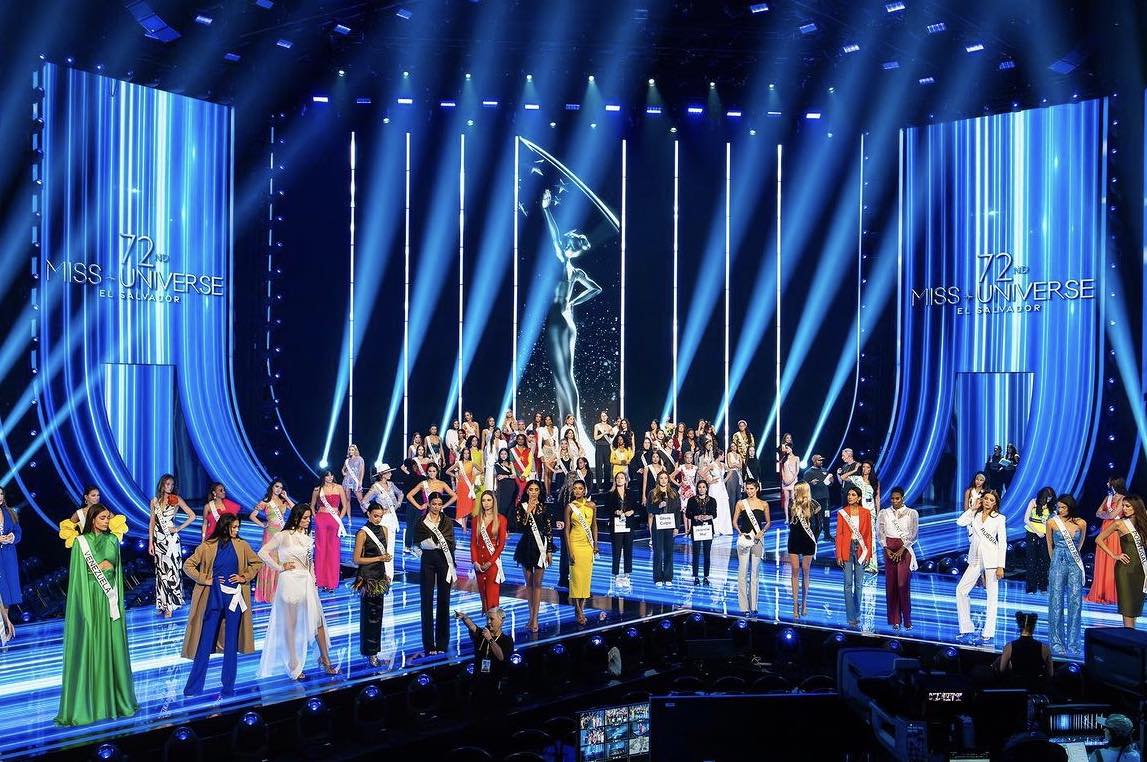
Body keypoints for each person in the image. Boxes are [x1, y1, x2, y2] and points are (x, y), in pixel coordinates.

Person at [56, 504, 138, 725]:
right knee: (89, 648)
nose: (107, 521)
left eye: (108, 518)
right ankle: (89, 706)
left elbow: (111, 565)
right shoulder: (80, 544)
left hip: (107, 600)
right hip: (89, 598)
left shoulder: (112, 540)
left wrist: (105, 567)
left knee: (109, 646)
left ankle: (113, 702)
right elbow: (78, 579)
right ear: (93, 520)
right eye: (103, 518)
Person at [181, 514, 262, 697]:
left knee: (231, 643)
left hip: (234, 599)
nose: (237, 530)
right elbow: (188, 565)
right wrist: (205, 579)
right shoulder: (208, 547)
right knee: (204, 642)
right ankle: (193, 688)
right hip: (213, 598)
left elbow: (257, 562)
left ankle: (228, 687)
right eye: (233, 527)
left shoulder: (242, 545)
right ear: (225, 527)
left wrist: (244, 577)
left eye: (238, 527)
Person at [257, 504, 338, 678]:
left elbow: (310, 563)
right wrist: (279, 567)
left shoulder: (307, 536)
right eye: (305, 518)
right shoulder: (283, 536)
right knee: (291, 626)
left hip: (307, 582)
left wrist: (314, 581)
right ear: (296, 518)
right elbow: (262, 552)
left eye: (309, 518)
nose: (308, 521)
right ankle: (294, 664)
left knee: (318, 623)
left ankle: (325, 659)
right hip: (289, 582)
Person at [956, 490, 1008, 643]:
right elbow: (960, 522)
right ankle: (966, 628)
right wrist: (972, 508)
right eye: (985, 498)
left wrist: (1001, 566)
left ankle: (988, 632)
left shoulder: (999, 519)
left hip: (992, 561)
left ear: (995, 503)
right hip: (975, 559)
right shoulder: (975, 515)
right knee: (961, 590)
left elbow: (1003, 543)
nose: (987, 501)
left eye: (991, 499)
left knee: (992, 596)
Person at [1094, 494, 1147, 628]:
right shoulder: (1119, 523)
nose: (1124, 508)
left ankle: (1132, 640)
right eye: (1123, 505)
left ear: (1136, 507)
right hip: (1125, 569)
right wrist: (1114, 555)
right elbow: (1099, 539)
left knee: (1135, 609)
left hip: (1141, 570)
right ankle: (1128, 639)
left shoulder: (1143, 523)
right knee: (1127, 608)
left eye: (1127, 506)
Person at [148, 474, 195, 618]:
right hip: (159, 540)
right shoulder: (154, 501)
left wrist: (178, 528)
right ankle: (162, 603)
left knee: (171, 571)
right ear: (162, 484)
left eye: (172, 485)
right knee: (160, 573)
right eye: (167, 484)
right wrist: (151, 542)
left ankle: (171, 605)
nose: (170, 487)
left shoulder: (176, 499)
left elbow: (192, 515)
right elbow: (152, 522)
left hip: (171, 541)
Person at [1045, 494, 1087, 656]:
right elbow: (1049, 544)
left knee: (1075, 602)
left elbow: (1081, 543)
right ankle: (1056, 642)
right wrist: (1054, 561)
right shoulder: (1051, 522)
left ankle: (1073, 643)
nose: (1059, 509)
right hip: (1057, 561)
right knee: (1056, 601)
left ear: (1070, 507)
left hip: (1074, 562)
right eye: (1058, 507)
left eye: (1063, 507)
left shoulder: (1081, 523)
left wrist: (1073, 556)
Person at [415, 492, 456, 655]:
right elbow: (416, 541)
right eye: (434, 504)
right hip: (427, 561)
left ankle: (442, 643)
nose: (437, 507)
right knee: (426, 601)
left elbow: (451, 542)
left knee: (444, 601)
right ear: (429, 504)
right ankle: (428, 644)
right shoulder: (421, 522)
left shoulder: (447, 521)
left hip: (444, 561)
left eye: (440, 504)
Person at [352, 504, 393, 668]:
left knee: (378, 616)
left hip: (379, 577)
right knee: (369, 617)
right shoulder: (362, 533)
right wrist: (379, 559)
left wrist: (386, 571)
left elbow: (384, 556)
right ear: (368, 514)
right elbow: (356, 559)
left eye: (380, 516)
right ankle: (369, 653)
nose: (378, 518)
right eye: (375, 515)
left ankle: (375, 652)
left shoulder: (384, 530)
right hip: (367, 578)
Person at [514, 480, 554, 632]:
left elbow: (549, 530)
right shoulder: (521, 507)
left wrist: (549, 550)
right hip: (526, 546)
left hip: (541, 547)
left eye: (536, 489)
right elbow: (519, 527)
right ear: (527, 491)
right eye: (531, 489)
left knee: (537, 583)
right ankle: (530, 616)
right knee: (529, 583)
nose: (534, 492)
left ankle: (535, 618)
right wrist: (528, 511)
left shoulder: (545, 507)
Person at [877, 486, 919, 631]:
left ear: (903, 498)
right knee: (891, 585)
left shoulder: (912, 513)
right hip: (888, 548)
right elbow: (880, 532)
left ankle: (907, 620)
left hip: (904, 549)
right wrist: (886, 548)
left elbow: (914, 534)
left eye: (897, 498)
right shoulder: (884, 513)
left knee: (902, 584)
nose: (894, 501)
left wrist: (902, 549)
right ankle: (895, 620)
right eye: (892, 498)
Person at [249, 479, 294, 604]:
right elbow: (252, 515)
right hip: (270, 534)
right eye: (276, 486)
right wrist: (262, 524)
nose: (278, 489)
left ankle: (280, 592)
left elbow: (295, 510)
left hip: (282, 533)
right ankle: (268, 593)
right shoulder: (266, 501)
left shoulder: (283, 501)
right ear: (272, 487)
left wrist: (286, 497)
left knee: (281, 559)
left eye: (281, 487)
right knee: (270, 560)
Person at [456, 608, 514, 698]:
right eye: (487, 619)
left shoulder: (507, 640)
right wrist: (464, 617)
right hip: (478, 682)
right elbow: (472, 626)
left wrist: (490, 639)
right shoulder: (482, 635)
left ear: (501, 621)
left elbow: (501, 657)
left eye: (491, 619)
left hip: (495, 683)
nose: (488, 622)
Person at [836, 485, 871, 630]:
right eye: (849, 495)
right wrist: (838, 554)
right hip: (847, 548)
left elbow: (869, 534)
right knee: (847, 584)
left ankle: (857, 613)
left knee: (859, 585)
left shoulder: (866, 512)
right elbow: (839, 534)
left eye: (853, 495)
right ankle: (850, 617)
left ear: (859, 497)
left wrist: (868, 553)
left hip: (861, 549)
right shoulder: (842, 513)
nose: (850, 497)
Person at [1087, 477, 1127, 605]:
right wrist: (1106, 515)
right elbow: (1097, 513)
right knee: (1102, 559)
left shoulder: (1123, 499)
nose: (1107, 483)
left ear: (1114, 484)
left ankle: (1111, 594)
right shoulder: (1107, 498)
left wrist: (1106, 515)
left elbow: (1111, 515)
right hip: (1104, 530)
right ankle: (1100, 593)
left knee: (1112, 560)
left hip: (1115, 532)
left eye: (1109, 481)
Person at [733, 479, 769, 617]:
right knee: (742, 572)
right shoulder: (741, 503)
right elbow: (734, 521)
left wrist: (762, 531)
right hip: (745, 538)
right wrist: (739, 531)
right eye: (747, 489)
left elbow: (768, 522)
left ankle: (753, 605)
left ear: (757, 489)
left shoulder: (764, 504)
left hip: (758, 538)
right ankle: (743, 607)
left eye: (752, 489)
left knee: (755, 573)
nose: (749, 491)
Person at [566, 479, 599, 625]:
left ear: (584, 490)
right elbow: (566, 530)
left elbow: (594, 526)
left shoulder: (592, 505)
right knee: (576, 579)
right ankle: (579, 610)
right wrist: (569, 550)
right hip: (575, 543)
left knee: (586, 579)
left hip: (588, 545)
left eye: (580, 488)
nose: (577, 491)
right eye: (575, 489)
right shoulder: (570, 507)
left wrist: (595, 545)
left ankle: (581, 606)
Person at [310, 470, 350, 592]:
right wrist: (315, 517)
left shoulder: (339, 488)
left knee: (333, 550)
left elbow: (345, 504)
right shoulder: (318, 489)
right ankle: (319, 581)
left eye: (331, 474)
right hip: (321, 519)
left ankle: (331, 582)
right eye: (327, 475)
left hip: (334, 520)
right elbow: (312, 506)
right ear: (323, 477)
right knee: (320, 549)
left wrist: (340, 518)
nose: (330, 477)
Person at [361, 465, 402, 582]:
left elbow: (401, 494)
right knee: (382, 546)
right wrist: (375, 514)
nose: (390, 474)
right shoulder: (375, 487)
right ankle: (380, 574)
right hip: (382, 520)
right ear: (382, 474)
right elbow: (364, 502)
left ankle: (390, 576)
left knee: (391, 548)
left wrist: (397, 505)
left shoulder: (391, 485)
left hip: (392, 518)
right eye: (388, 472)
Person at [470, 491, 507, 613]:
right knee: (483, 598)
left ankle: (494, 628)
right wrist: (475, 562)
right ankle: (487, 628)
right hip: (479, 564)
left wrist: (490, 563)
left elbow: (501, 545)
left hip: (492, 564)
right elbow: (473, 543)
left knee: (492, 598)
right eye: (484, 500)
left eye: (489, 500)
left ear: (493, 502)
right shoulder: (476, 520)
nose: (486, 503)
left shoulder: (501, 519)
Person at [787, 482, 820, 619]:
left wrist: (815, 540)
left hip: (808, 541)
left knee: (806, 571)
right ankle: (795, 604)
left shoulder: (814, 505)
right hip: (794, 540)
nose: (794, 492)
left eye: (796, 490)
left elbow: (819, 525)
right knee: (795, 570)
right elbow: (790, 522)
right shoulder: (791, 503)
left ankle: (804, 603)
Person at [995, 612, 1052, 691]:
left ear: (1019, 625)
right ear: (1034, 626)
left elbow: (1001, 670)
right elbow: (1050, 674)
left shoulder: (1009, 647)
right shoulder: (1045, 648)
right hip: (1036, 689)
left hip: (1015, 690)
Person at [648, 471, 681, 588]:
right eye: (661, 478)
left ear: (668, 480)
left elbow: (678, 511)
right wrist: (658, 507)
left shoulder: (674, 493)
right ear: (658, 480)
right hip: (658, 525)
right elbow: (649, 509)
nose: (663, 480)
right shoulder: (652, 493)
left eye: (665, 478)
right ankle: (657, 577)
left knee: (668, 552)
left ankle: (668, 577)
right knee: (658, 552)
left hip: (670, 525)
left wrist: (677, 526)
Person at [605, 471, 638, 587]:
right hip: (617, 524)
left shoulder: (631, 493)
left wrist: (632, 511)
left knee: (628, 549)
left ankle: (627, 573)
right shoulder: (611, 494)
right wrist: (615, 511)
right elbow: (606, 509)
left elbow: (636, 507)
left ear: (626, 480)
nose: (620, 480)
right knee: (617, 550)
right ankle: (615, 573)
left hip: (628, 523)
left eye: (622, 478)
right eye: (618, 478)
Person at [1023, 487, 1055, 594]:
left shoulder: (1051, 507)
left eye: (1050, 498)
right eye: (1047, 498)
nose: (1048, 500)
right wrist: (1037, 532)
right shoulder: (1033, 502)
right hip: (1032, 532)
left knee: (1045, 561)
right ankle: (1031, 587)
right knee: (1032, 560)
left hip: (1046, 535)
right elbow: (1026, 519)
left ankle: (1043, 586)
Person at [0, 486, 22, 644]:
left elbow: (18, 532)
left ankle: (6, 625)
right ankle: (5, 626)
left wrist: (12, 536)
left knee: (7, 591)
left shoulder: (10, 513)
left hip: (8, 556)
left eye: (1, 493)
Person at [686, 478, 716, 585]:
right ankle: (696, 577)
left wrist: (708, 516)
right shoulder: (691, 500)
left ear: (706, 488)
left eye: (703, 487)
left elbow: (715, 514)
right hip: (696, 529)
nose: (701, 489)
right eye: (699, 487)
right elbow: (687, 514)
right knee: (696, 553)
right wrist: (696, 516)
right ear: (697, 488)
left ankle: (706, 576)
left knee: (707, 553)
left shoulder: (712, 500)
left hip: (707, 529)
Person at [447, 447, 480, 530]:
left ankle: (464, 525)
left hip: (469, 487)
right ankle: (464, 526)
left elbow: (481, 470)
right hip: (461, 486)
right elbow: (447, 471)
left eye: (468, 453)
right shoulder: (459, 463)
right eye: (464, 453)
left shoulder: (472, 463)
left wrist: (475, 475)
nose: (466, 455)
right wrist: (456, 475)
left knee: (468, 506)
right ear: (462, 454)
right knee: (462, 506)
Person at [803, 454, 833, 541]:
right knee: (815, 518)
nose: (821, 462)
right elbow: (804, 487)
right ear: (814, 461)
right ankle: (813, 536)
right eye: (819, 460)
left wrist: (831, 481)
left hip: (825, 498)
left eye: (822, 460)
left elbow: (829, 484)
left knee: (826, 516)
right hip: (815, 499)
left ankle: (827, 535)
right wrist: (811, 483)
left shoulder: (825, 470)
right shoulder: (808, 473)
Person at [704, 454, 734, 537]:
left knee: (723, 506)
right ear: (719, 455)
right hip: (714, 487)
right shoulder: (712, 464)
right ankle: (716, 528)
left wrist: (724, 480)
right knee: (715, 506)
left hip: (721, 487)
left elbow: (730, 471)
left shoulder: (723, 465)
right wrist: (709, 481)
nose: (724, 457)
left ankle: (724, 528)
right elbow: (702, 473)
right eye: (722, 456)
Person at [593, 411, 614, 490]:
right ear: (600, 417)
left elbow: (612, 435)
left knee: (607, 466)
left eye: (605, 416)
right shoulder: (597, 426)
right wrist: (604, 433)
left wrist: (611, 432)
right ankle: (598, 485)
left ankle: (607, 485)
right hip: (599, 447)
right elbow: (595, 438)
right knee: (598, 466)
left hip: (607, 447)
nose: (604, 417)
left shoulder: (609, 426)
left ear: (607, 417)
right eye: (602, 416)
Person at [779, 443, 800, 522]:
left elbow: (797, 470)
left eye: (787, 448)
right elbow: (782, 470)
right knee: (786, 500)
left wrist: (792, 480)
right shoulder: (784, 458)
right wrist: (784, 479)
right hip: (785, 482)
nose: (786, 450)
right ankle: (787, 518)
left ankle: (794, 516)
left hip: (793, 481)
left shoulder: (796, 458)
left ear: (791, 448)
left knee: (794, 499)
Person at [342, 444, 366, 511]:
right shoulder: (347, 460)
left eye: (352, 450)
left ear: (355, 450)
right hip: (347, 481)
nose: (350, 451)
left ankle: (368, 514)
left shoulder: (360, 459)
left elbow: (362, 470)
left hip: (356, 481)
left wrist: (360, 481)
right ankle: (349, 520)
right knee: (347, 500)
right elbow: (343, 469)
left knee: (361, 500)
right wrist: (344, 473)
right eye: (349, 450)